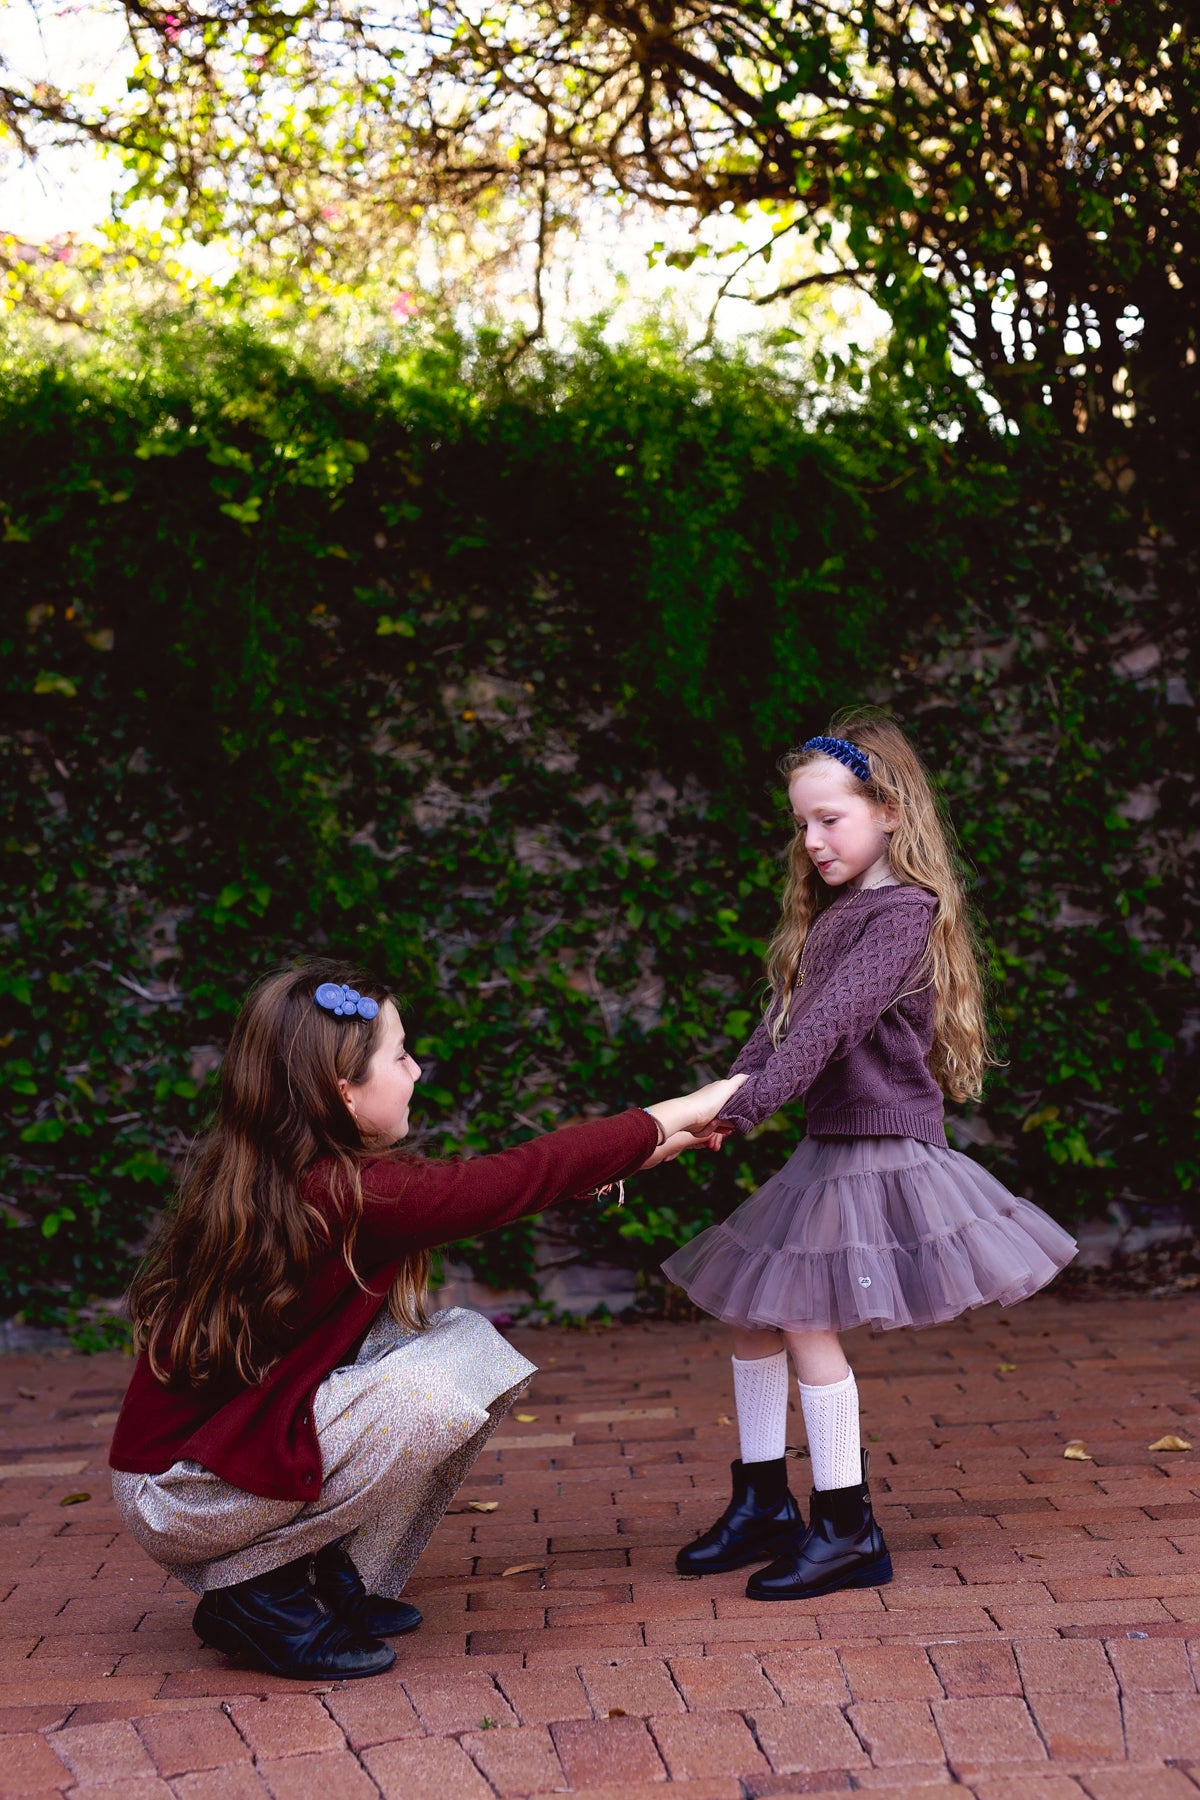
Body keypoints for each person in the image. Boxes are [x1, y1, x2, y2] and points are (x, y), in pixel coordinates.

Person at [109, 960, 743, 1680]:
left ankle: (323, 1578)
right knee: (427, 1398)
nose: (417, 1070)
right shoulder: (341, 1192)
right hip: (183, 1491)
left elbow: (515, 1185)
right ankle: (257, 1592)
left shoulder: (293, 1172)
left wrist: (663, 1142)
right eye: (401, 1054)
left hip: (203, 1474)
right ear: (343, 1090)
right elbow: (509, 1180)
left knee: (467, 1348)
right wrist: (677, 1108)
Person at [662, 711, 1076, 1603]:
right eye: (800, 824)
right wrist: (721, 1104)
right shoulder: (835, 915)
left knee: (805, 1317)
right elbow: (775, 1031)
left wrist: (754, 1104)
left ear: (888, 808)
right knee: (754, 1316)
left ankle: (847, 1526)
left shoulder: (901, 914)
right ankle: (764, 1502)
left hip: (879, 1149)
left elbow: (830, 1026)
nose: (810, 840)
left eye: (829, 819)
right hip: (830, 1146)